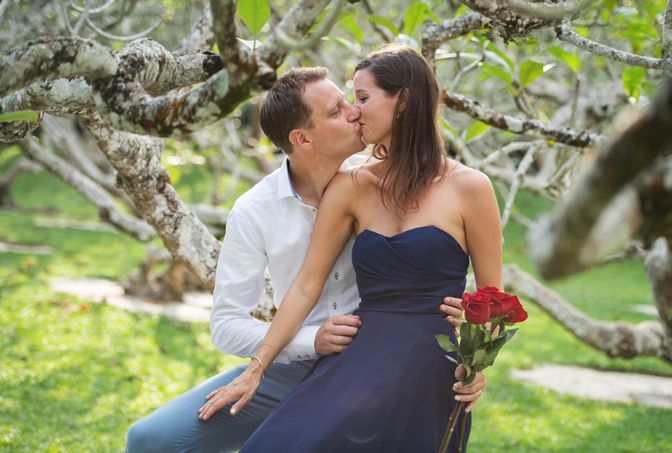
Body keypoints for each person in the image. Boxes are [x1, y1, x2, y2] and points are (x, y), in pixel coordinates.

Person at [126, 66, 485, 452]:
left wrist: (466, 337)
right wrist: (309, 341)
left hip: (372, 363)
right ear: (301, 138)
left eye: (353, 101)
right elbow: (228, 324)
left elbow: (434, 252)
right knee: (150, 440)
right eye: (336, 111)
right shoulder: (254, 210)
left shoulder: (376, 183)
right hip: (292, 362)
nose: (354, 112)